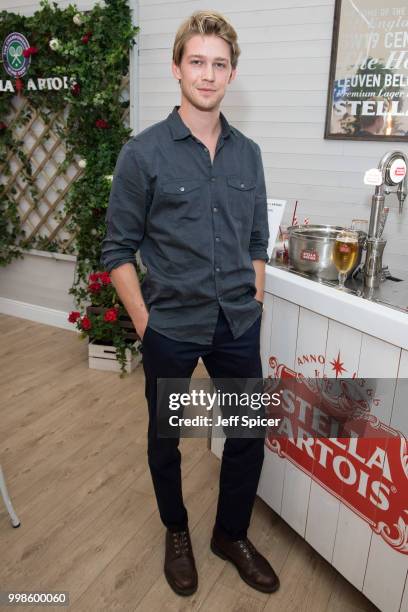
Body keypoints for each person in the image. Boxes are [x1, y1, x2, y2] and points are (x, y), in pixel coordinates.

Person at [100, 10, 279, 597]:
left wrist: (252, 292)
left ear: (232, 74)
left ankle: (230, 535)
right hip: (171, 326)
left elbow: (256, 238)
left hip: (236, 323)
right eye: (196, 62)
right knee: (166, 439)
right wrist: (147, 324)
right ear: (177, 68)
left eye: (219, 64)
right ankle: (176, 531)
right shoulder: (144, 153)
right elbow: (117, 249)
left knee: (248, 436)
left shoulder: (248, 153)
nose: (207, 75)